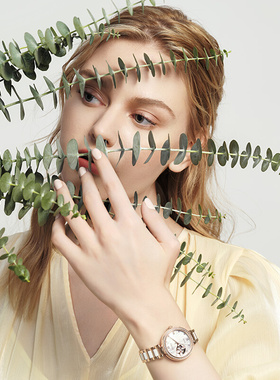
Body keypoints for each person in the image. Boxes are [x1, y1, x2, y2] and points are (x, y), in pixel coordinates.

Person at [0, 5, 280, 380]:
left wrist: (146, 306)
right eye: (90, 94)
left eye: (143, 118)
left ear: (186, 151)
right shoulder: (6, 268)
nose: (101, 128)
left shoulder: (236, 290)